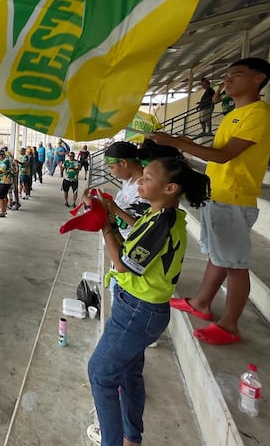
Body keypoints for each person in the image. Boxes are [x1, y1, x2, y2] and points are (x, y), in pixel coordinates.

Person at [149, 57, 270, 345]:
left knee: (234, 264)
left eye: (237, 75)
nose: (227, 81)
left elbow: (223, 155)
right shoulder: (234, 113)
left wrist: (176, 142)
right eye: (227, 76)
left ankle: (230, 325)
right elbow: (214, 152)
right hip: (216, 193)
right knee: (219, 255)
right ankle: (202, 302)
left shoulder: (261, 114)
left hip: (234, 195)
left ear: (258, 78)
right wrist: (181, 144)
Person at [87, 157, 211, 446]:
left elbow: (122, 264)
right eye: (142, 176)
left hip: (137, 311)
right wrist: (110, 213)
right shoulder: (159, 215)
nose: (140, 181)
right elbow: (133, 239)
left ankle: (113, 440)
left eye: (148, 178)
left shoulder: (163, 222)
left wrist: (105, 224)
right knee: (129, 372)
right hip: (140, 308)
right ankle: (131, 437)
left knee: (100, 373)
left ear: (170, 188)